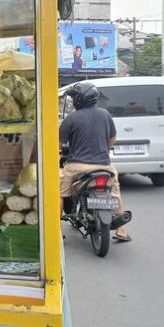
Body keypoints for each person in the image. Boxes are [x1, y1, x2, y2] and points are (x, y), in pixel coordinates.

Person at [59, 81, 131, 241]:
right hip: (104, 165)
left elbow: (58, 144)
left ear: (79, 99)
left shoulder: (71, 119)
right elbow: (112, 140)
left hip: (76, 166)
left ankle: (55, 231)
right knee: (114, 191)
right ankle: (122, 229)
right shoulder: (105, 115)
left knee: (61, 193)